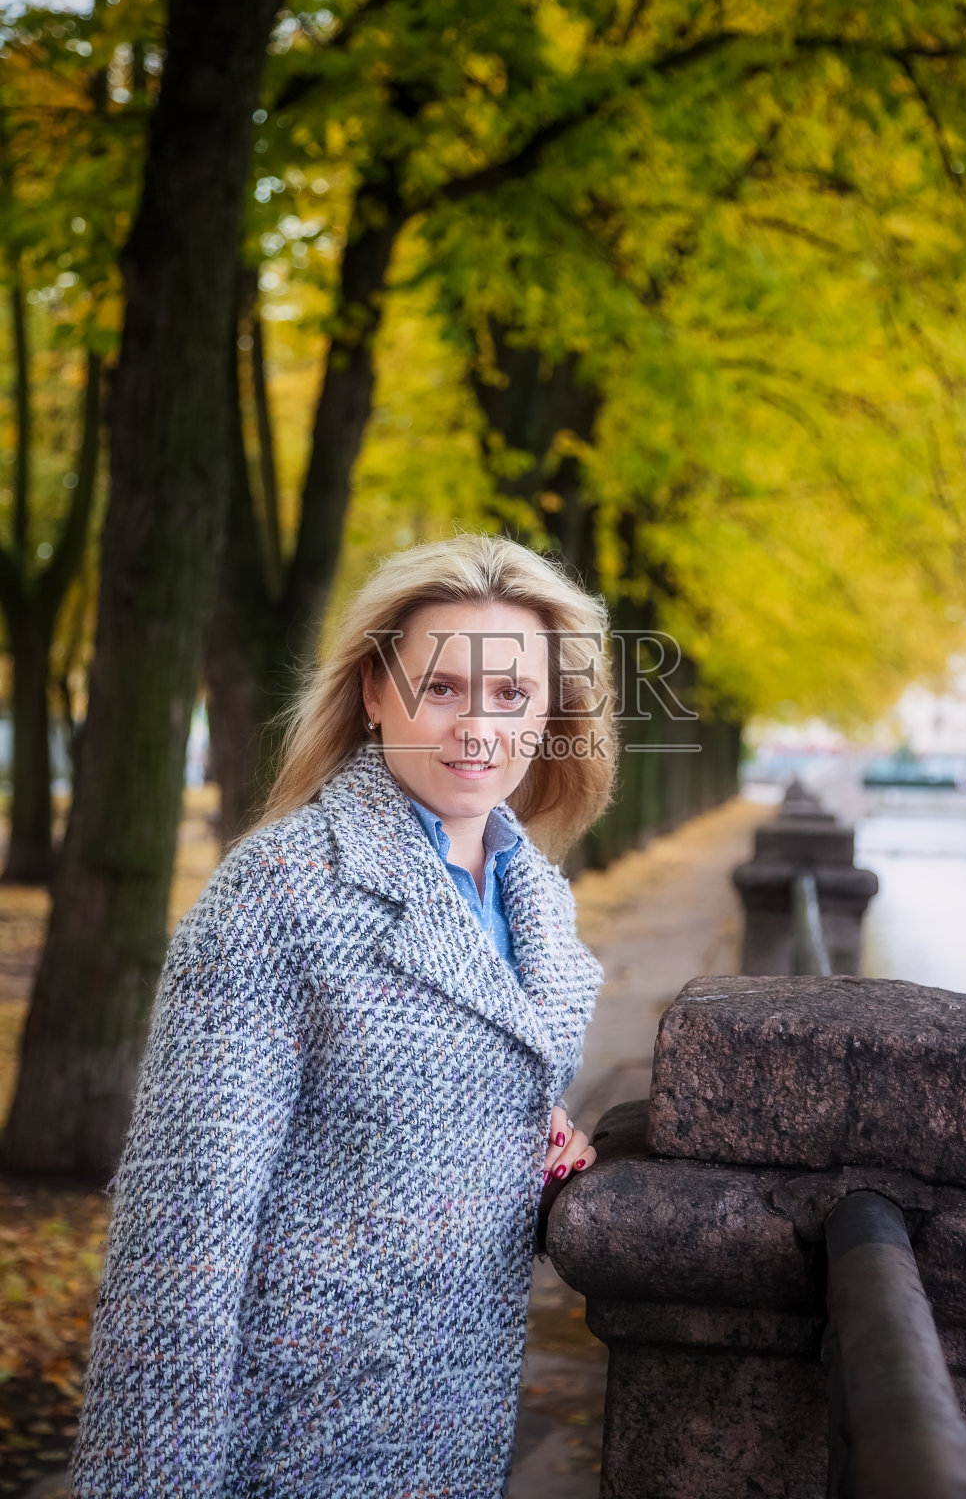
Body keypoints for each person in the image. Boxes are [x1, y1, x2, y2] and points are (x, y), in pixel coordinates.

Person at [70, 531, 619, 1498]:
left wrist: (523, 1135)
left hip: (457, 1415)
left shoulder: (534, 893)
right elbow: (183, 1222)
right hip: (292, 1433)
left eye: (511, 694)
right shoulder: (281, 889)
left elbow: (433, 1085)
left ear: (550, 712)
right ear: (373, 691)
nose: (477, 728)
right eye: (440, 688)